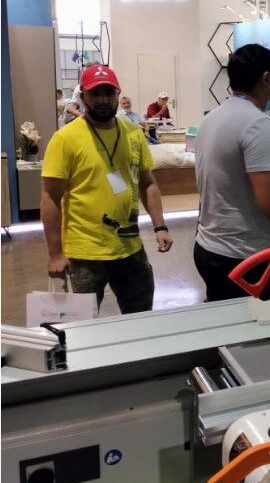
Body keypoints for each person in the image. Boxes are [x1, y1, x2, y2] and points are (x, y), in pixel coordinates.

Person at [40, 64, 173, 314]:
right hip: (85, 255)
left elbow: (148, 183)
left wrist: (160, 226)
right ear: (83, 96)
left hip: (130, 248)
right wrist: (55, 254)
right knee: (83, 326)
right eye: (95, 93)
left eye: (109, 92)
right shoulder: (65, 138)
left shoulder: (133, 134)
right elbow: (50, 197)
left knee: (141, 318)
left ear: (117, 94)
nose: (103, 99)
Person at [194, 43, 270, 302]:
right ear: (267, 79)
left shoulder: (211, 119)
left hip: (208, 248)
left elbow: (231, 182)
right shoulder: (258, 125)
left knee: (224, 318)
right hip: (245, 258)